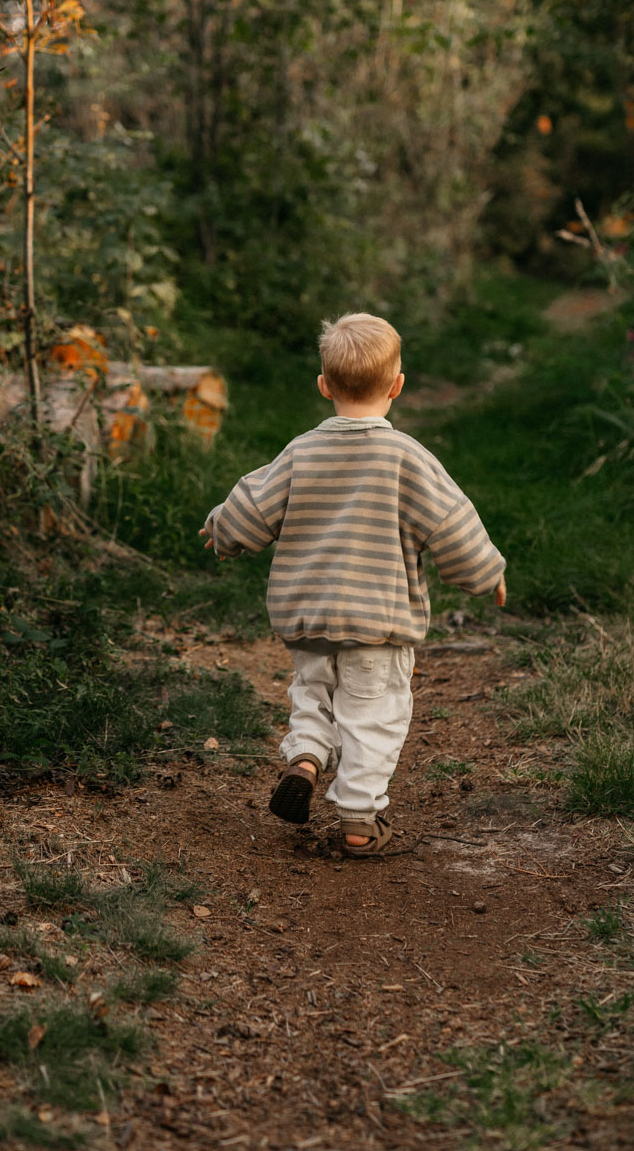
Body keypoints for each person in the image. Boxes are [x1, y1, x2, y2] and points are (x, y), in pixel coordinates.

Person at [200, 312, 506, 857]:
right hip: (377, 627)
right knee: (372, 719)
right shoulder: (407, 458)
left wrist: (222, 530)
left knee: (312, 697)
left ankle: (306, 759)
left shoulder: (300, 453)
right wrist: (487, 575)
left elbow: (253, 504)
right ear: (397, 385)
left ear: (324, 386)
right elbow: (453, 524)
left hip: (310, 620)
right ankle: (360, 822)